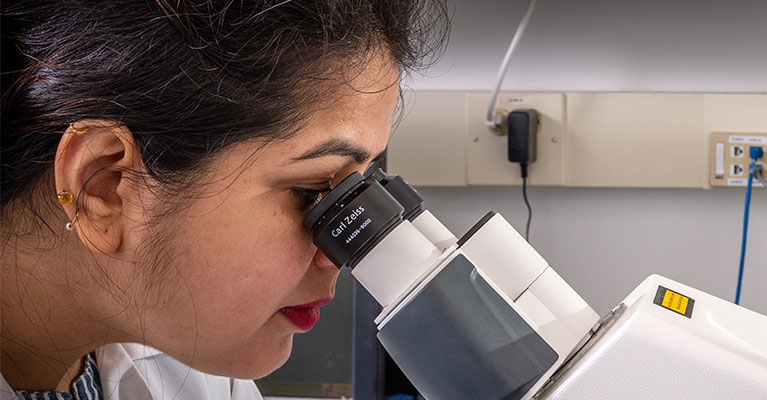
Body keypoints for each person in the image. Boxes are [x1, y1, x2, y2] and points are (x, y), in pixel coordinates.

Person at [0, 1, 447, 398]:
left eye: (357, 192)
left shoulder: (195, 365)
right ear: (105, 187)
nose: (339, 257)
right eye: (312, 191)